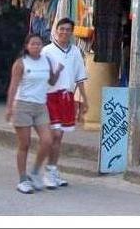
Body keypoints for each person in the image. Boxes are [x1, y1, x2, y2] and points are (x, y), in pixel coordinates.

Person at [5, 33, 63, 194]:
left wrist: (58, 71)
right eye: (33, 44)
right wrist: (9, 108)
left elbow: (51, 81)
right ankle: (23, 179)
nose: (36, 47)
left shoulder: (47, 61)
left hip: (40, 106)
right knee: (25, 144)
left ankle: (35, 172)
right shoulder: (20, 63)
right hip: (23, 105)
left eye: (39, 44)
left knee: (48, 140)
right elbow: (13, 86)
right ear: (26, 46)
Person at [41, 18, 88, 187]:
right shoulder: (46, 51)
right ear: (56, 30)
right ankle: (48, 172)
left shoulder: (75, 51)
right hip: (50, 97)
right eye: (62, 29)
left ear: (72, 32)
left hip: (67, 98)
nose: (64, 32)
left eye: (68, 29)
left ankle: (52, 170)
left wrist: (84, 100)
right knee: (55, 135)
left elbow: (80, 77)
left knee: (59, 138)